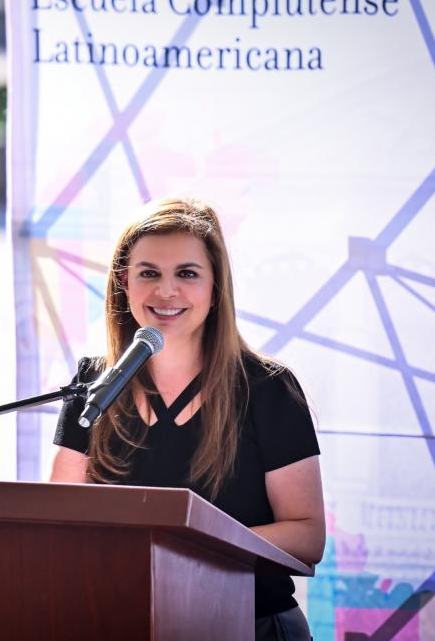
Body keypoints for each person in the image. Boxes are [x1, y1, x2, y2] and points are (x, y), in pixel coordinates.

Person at [50, 197, 325, 641]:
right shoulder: (92, 385)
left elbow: (307, 536)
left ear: (216, 289)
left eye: (187, 274)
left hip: (249, 624)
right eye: (149, 273)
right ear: (123, 283)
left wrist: (186, 549)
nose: (166, 291)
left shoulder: (268, 388)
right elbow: (58, 517)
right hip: (120, 621)